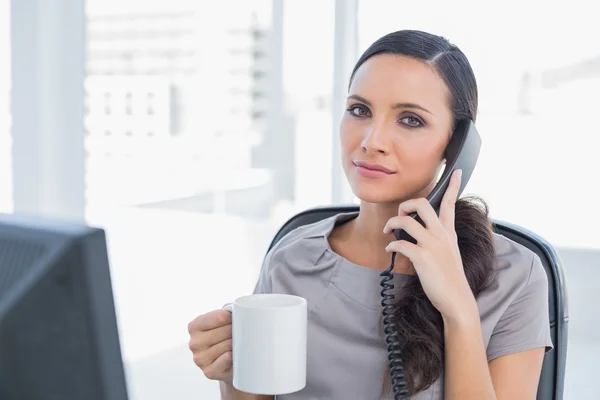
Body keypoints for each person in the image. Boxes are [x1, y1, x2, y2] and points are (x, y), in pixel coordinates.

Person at [187, 30, 553, 400]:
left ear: (456, 146)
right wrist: (233, 372)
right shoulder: (291, 262)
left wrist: (458, 310)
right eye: (359, 110)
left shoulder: (515, 276)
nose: (371, 141)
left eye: (410, 119)